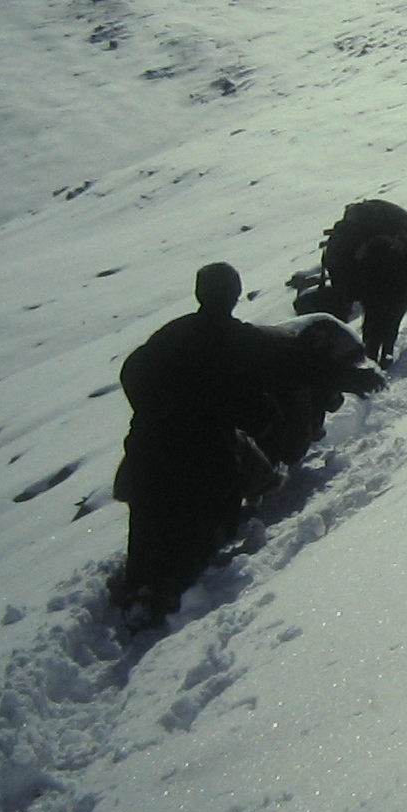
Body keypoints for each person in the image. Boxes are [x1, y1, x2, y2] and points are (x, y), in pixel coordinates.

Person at [111, 263, 280, 620]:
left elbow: (132, 371)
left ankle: (140, 588)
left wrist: (154, 412)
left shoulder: (173, 332)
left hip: (148, 446)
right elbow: (252, 402)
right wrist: (260, 421)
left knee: (148, 521)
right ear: (234, 295)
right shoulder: (238, 340)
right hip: (204, 452)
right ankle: (172, 597)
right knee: (200, 522)